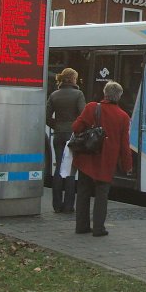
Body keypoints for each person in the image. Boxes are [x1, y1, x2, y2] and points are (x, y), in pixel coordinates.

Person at [72, 81, 133, 237]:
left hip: (87, 157)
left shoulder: (92, 107)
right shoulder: (123, 117)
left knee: (83, 192)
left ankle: (81, 226)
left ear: (105, 93)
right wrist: (127, 165)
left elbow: (76, 127)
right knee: (102, 195)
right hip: (106, 161)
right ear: (119, 97)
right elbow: (124, 145)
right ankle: (99, 228)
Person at [46, 68, 86, 213]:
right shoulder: (78, 94)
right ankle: (69, 205)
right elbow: (83, 116)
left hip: (58, 135)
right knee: (69, 169)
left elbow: (46, 115)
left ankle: (56, 205)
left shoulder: (54, 95)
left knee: (58, 169)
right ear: (73, 79)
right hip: (72, 136)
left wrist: (56, 125)